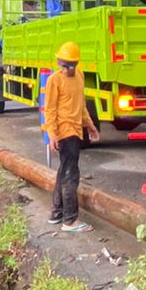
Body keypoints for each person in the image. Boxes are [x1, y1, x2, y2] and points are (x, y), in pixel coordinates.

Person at [43, 40, 99, 233]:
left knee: (64, 171)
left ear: (75, 64)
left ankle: (57, 213)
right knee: (70, 175)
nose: (65, 69)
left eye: (69, 66)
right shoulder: (54, 80)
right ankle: (70, 221)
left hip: (76, 131)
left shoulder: (80, 77)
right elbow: (49, 110)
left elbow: (81, 105)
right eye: (62, 65)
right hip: (64, 132)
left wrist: (90, 125)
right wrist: (52, 135)